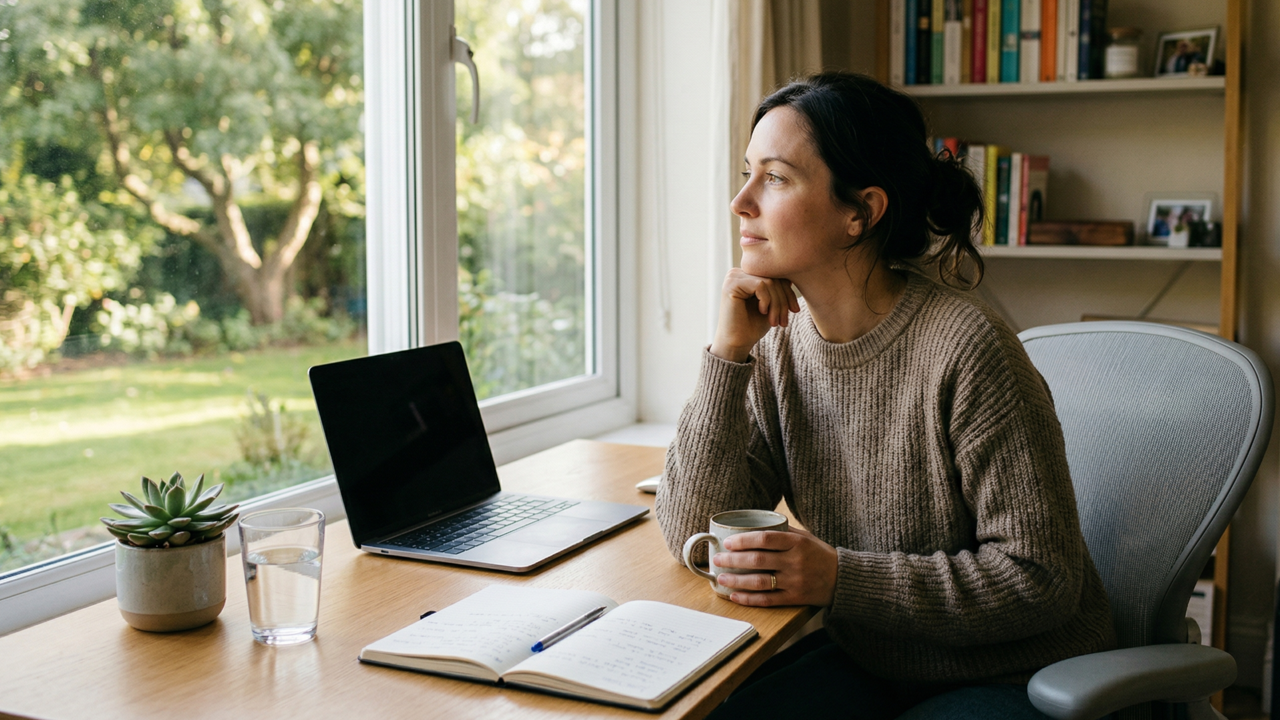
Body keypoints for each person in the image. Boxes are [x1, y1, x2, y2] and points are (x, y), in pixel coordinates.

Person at [654, 72, 1115, 719]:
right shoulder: (777, 344)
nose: (741, 202)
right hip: (876, 663)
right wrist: (727, 356)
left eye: (776, 178)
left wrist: (841, 578)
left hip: (1020, 675)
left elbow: (1041, 580)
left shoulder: (967, 348)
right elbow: (692, 534)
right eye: (746, 173)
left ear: (860, 213)